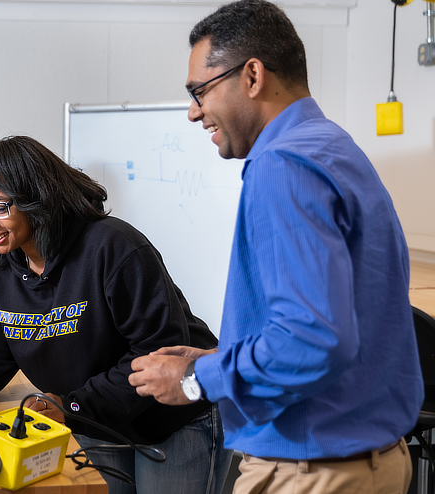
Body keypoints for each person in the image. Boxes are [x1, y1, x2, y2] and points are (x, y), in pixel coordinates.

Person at [127, 1, 424, 493]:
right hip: (364, 460)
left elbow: (310, 340)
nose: (193, 111)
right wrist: (223, 356)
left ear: (252, 76)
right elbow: (339, 322)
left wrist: (196, 379)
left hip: (313, 470)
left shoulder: (282, 166)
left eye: (200, 90)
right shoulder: (332, 146)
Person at [0, 135, 232, 494]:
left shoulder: (112, 247)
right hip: (96, 420)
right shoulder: (1, 276)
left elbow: (158, 351)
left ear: (36, 200)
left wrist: (71, 404)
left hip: (174, 418)